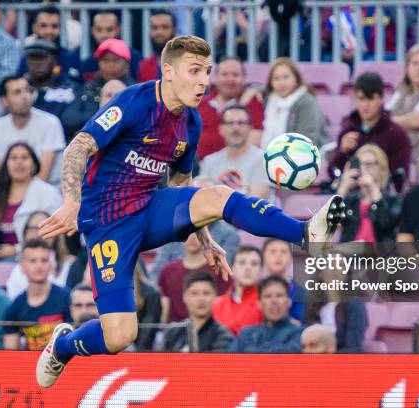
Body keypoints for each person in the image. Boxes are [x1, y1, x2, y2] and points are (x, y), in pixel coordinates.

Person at [35, 35, 344, 388]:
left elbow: (183, 185)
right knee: (120, 335)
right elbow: (79, 147)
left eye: (207, 72)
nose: (203, 81)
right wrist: (72, 201)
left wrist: (205, 235)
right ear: (168, 71)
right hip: (108, 222)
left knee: (217, 196)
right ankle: (62, 347)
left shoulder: (191, 122)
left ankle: (306, 234)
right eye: (194, 71)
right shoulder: (134, 102)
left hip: (150, 207)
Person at [0, 143, 62, 262]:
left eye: (25, 158)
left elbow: (54, 235)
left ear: (34, 164)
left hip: (32, 256)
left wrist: (16, 250)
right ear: (6, 164)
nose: (19, 162)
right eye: (13, 158)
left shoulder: (49, 193)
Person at [328, 72, 411, 192]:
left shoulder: (397, 134)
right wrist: (341, 152)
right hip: (352, 198)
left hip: (384, 199)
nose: (365, 105)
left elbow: (400, 178)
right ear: (355, 99)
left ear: (381, 99)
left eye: (370, 98)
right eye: (361, 98)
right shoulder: (347, 132)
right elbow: (334, 174)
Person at [149, 177, 240, 282]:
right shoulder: (174, 228)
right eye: (198, 196)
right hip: (173, 287)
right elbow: (157, 273)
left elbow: (222, 274)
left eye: (208, 197)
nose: (203, 202)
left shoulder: (228, 234)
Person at [0, 75, 66, 187]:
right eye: (17, 92)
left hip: (49, 190)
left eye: (28, 90)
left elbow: (43, 176)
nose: (26, 96)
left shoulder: (50, 123)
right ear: (4, 101)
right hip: (10, 190)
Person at [60, 39, 135, 142]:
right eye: (105, 60)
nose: (110, 65)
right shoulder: (88, 87)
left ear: (126, 63)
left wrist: (89, 127)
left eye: (115, 60)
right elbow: (68, 119)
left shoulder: (136, 90)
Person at [4, 239, 71, 351]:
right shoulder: (15, 306)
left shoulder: (67, 297)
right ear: (22, 265)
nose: (39, 266)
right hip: (30, 365)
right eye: (32, 261)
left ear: (50, 264)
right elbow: (10, 353)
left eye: (44, 260)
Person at [197, 57, 265, 159]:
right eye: (225, 74)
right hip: (200, 168)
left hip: (240, 169)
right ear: (215, 77)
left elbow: (255, 140)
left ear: (244, 78)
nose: (230, 79)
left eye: (235, 75)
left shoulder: (252, 101)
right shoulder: (200, 103)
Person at [158, 233, 233, 323]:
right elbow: (164, 309)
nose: (192, 239)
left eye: (197, 234)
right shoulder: (167, 271)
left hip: (210, 329)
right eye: (188, 234)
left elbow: (225, 306)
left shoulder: (220, 270)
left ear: (208, 238)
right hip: (176, 331)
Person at [199, 105, 271, 198]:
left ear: (250, 128)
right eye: (230, 123)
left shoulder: (263, 159)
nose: (235, 128)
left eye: (241, 123)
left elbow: (254, 203)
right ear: (221, 129)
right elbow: (202, 198)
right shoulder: (209, 161)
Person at [336, 144, 402, 244]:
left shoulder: (394, 200)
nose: (363, 168)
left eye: (369, 164)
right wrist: (343, 188)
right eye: (360, 164)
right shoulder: (350, 200)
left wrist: (373, 189)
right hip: (350, 256)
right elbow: (330, 223)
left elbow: (385, 222)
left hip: (381, 256)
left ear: (381, 168)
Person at [5, 211, 74, 299]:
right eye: (34, 228)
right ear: (25, 233)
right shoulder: (18, 271)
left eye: (47, 227)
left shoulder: (70, 265)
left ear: (56, 233)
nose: (41, 232)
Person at [261, 57, 327, 149]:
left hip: (305, 157)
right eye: (276, 78)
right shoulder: (269, 101)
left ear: (296, 79)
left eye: (286, 77)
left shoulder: (307, 102)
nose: (281, 82)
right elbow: (258, 88)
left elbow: (308, 140)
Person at [162, 270, 234, 352]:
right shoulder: (172, 332)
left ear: (214, 296)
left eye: (206, 293)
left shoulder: (223, 337)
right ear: (184, 297)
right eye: (194, 293)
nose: (201, 299)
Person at [228, 276, 303, 353]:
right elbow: (230, 359)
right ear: (259, 304)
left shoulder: (299, 333)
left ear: (289, 302)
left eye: (279, 295)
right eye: (268, 296)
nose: (274, 301)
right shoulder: (246, 334)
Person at [16, 5, 81, 82]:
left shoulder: (70, 58)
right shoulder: (27, 58)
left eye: (54, 26)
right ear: (34, 28)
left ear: (61, 28)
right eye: (43, 26)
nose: (49, 31)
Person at [213, 245, 265, 335]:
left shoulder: (266, 304)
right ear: (232, 268)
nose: (248, 268)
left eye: (254, 264)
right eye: (242, 262)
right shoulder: (216, 306)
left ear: (261, 271)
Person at [24, 39, 78, 121]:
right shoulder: (21, 87)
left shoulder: (68, 88)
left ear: (54, 60)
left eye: (42, 58)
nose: (37, 63)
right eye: (33, 58)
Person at [81, 11, 142, 82]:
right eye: (99, 29)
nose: (104, 35)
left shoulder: (136, 59)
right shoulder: (87, 63)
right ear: (92, 30)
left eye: (109, 29)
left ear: (119, 29)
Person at [263, 238, 304, 321]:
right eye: (273, 251)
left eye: (283, 251)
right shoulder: (255, 289)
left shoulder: (301, 292)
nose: (278, 255)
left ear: (291, 258)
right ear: (263, 256)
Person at [138, 10, 176, 83]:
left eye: (165, 27)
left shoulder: (185, 63)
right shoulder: (144, 66)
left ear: (174, 30)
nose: (159, 32)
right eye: (154, 27)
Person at [133, 261, 161, 351]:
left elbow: (149, 327)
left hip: (141, 349)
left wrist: (138, 354)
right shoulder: (110, 292)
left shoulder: (151, 293)